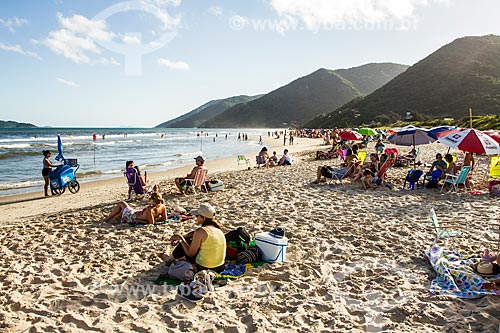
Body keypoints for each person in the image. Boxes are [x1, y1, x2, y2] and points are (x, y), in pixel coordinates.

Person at [160, 203, 226, 273]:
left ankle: (169, 260)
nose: (196, 218)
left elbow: (190, 254)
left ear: (203, 218)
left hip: (205, 268)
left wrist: (181, 239)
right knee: (188, 240)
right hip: (220, 267)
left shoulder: (200, 231)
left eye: (197, 216)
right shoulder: (217, 229)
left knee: (184, 243)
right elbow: (193, 234)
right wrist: (183, 236)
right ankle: (172, 258)